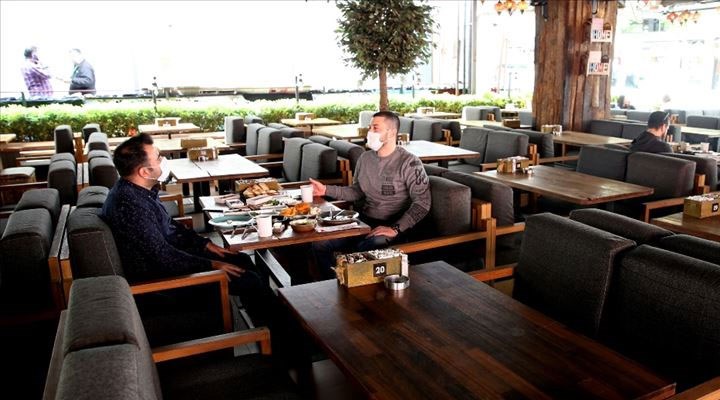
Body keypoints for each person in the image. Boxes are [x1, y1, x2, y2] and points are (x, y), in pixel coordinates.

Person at [101, 133, 270, 323]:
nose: (163, 160)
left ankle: (266, 320)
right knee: (250, 280)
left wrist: (204, 244)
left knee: (241, 259)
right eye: (158, 157)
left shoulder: (138, 191)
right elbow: (162, 256)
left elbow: (169, 224)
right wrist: (211, 265)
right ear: (144, 172)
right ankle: (271, 332)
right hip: (163, 283)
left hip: (171, 260)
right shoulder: (130, 205)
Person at [309, 111, 431, 279]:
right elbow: (357, 191)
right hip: (364, 221)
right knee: (320, 243)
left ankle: (350, 282)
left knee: (365, 248)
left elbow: (423, 203)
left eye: (375, 128)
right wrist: (325, 190)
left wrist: (396, 228)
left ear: (392, 133)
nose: (369, 132)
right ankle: (333, 284)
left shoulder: (410, 163)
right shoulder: (365, 158)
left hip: (394, 225)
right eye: (369, 128)